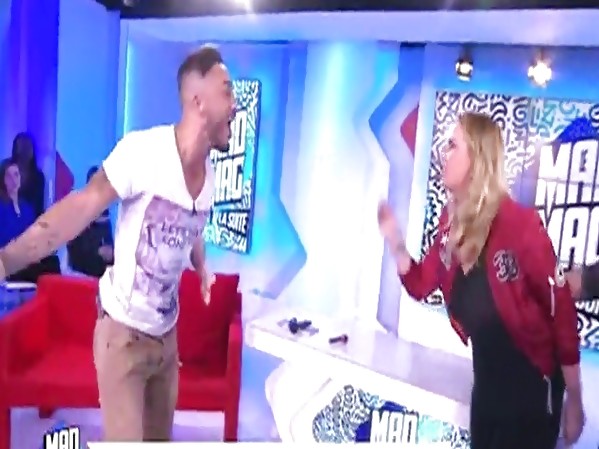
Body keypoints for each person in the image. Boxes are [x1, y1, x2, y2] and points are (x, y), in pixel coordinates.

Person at [0, 45, 235, 441]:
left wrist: (203, 267)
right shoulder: (144, 153)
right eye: (227, 91)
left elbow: (192, 226)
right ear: (198, 101)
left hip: (167, 339)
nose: (235, 104)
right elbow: (79, 208)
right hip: (123, 337)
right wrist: (7, 260)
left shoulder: (208, 174)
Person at [378, 112, 585, 449]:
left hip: (532, 397)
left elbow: (560, 310)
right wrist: (395, 242)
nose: (444, 153)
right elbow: (421, 284)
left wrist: (575, 399)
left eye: (452, 146)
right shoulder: (450, 227)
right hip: (487, 393)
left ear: (476, 159)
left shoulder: (520, 226)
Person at [0, 158, 60, 282]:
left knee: (53, 262)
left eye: (16, 175)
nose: (13, 180)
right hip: (10, 260)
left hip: (27, 258)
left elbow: (32, 234)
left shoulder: (27, 207)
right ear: (3, 180)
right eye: (8, 176)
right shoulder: (1, 207)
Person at [67, 166, 114, 277]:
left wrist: (112, 254)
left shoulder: (105, 216)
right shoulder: (77, 215)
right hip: (81, 273)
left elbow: (109, 247)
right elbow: (76, 255)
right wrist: (98, 252)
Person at [11, 132, 46, 218]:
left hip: (30, 221)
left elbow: (39, 207)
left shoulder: (38, 176)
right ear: (16, 149)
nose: (26, 150)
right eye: (23, 146)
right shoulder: (6, 170)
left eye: (29, 146)